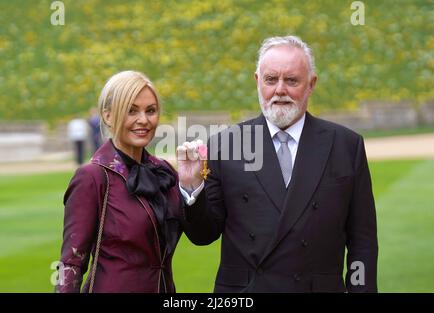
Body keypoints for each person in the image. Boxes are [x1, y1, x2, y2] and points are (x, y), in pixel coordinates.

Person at [177, 36, 378, 293]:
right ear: (257, 81)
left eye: (291, 80)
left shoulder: (346, 146)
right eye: (271, 80)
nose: (280, 90)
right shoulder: (225, 144)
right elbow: (203, 235)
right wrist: (193, 189)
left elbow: (362, 241)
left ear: (311, 84)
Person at [56, 70, 202, 293]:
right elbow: (71, 264)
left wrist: (191, 186)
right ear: (107, 116)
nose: (143, 120)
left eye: (150, 111)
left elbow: (201, 234)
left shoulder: (164, 171)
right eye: (131, 110)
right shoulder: (92, 177)